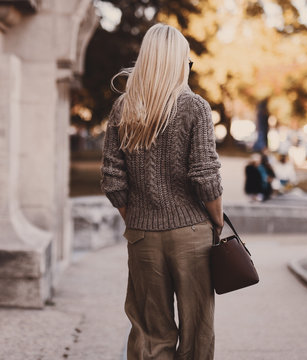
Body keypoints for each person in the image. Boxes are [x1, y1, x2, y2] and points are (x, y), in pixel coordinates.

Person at [100, 24, 223, 360]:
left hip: (142, 236)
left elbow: (113, 178)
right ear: (178, 62)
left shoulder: (124, 108)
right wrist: (217, 221)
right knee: (198, 331)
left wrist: (138, 217)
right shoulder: (195, 107)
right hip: (192, 234)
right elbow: (206, 176)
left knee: (150, 333)